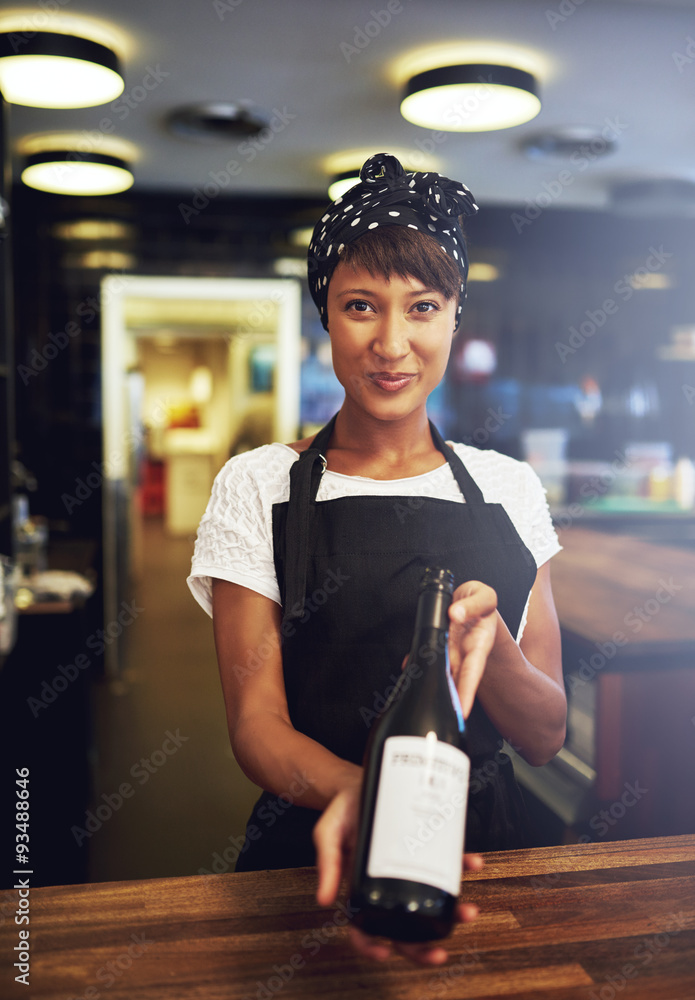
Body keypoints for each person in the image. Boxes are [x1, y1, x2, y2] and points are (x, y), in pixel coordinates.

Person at [187, 152, 566, 964]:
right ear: (326, 314)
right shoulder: (260, 484)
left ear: (454, 315)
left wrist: (487, 638)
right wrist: (376, 805)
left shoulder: (509, 488)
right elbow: (256, 727)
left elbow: (543, 735)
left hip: (487, 854)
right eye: (360, 306)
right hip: (315, 840)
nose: (391, 343)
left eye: (421, 307)